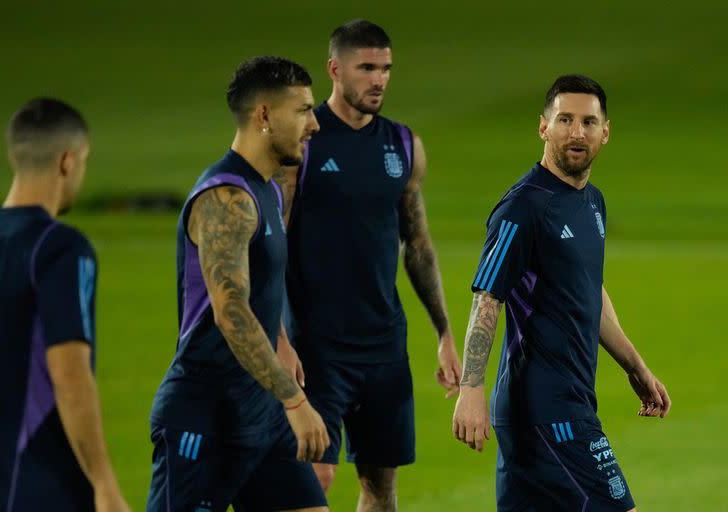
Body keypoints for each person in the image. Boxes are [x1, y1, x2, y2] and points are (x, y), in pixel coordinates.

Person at [451, 74, 672, 511]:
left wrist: (635, 365)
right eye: (565, 119)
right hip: (547, 410)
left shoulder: (592, 203)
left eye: (589, 122)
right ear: (543, 127)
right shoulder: (523, 208)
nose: (577, 132)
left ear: (605, 133)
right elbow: (487, 297)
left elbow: (589, 292)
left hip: (560, 404)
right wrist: (470, 389)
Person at [275, 20, 461, 511]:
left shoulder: (403, 146)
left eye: (386, 69)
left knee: (381, 488)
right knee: (315, 474)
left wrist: (443, 332)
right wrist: (277, 336)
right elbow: (270, 245)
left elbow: (417, 244)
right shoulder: (304, 145)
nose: (378, 79)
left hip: (384, 346)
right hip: (318, 346)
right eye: (367, 68)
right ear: (335, 70)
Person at [146, 56, 330, 512]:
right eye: (303, 110)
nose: (315, 125)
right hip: (204, 413)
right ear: (264, 116)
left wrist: (282, 339)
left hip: (259, 411)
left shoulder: (266, 189)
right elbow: (231, 312)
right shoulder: (225, 198)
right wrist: (295, 402)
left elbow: (261, 282)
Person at [0, 98, 130, 512]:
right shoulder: (62, 249)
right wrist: (105, 485)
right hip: (43, 489)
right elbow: (69, 376)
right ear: (68, 160)